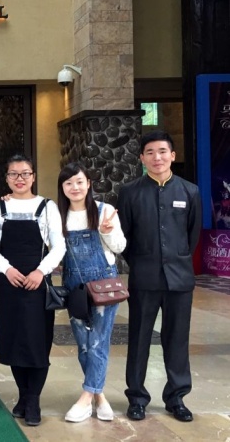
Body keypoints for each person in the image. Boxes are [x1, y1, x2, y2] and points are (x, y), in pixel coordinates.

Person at [117, 130, 202, 423]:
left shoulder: (190, 191)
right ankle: (137, 398)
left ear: (173, 155)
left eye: (163, 151)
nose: (157, 157)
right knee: (139, 338)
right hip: (144, 278)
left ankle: (176, 397)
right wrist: (141, 262)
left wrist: (177, 259)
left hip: (180, 279)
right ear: (142, 158)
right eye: (150, 152)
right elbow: (124, 238)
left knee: (177, 339)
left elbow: (192, 236)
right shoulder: (129, 192)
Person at [0, 154, 66, 427]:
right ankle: (23, 394)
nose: (19, 179)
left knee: (37, 343)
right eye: (13, 174)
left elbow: (59, 246)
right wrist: (7, 269)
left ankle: (33, 400)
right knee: (13, 341)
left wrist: (40, 272)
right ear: (6, 178)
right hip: (8, 284)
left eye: (25, 173)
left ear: (33, 176)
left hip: (37, 284)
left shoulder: (47, 206)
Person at [57, 163, 126, 423]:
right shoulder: (58, 215)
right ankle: (99, 396)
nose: (74, 187)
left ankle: (86, 397)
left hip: (104, 285)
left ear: (88, 183)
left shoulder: (104, 210)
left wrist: (107, 232)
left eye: (79, 181)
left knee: (98, 342)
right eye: (68, 183)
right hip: (74, 287)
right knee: (84, 345)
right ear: (62, 188)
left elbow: (119, 247)